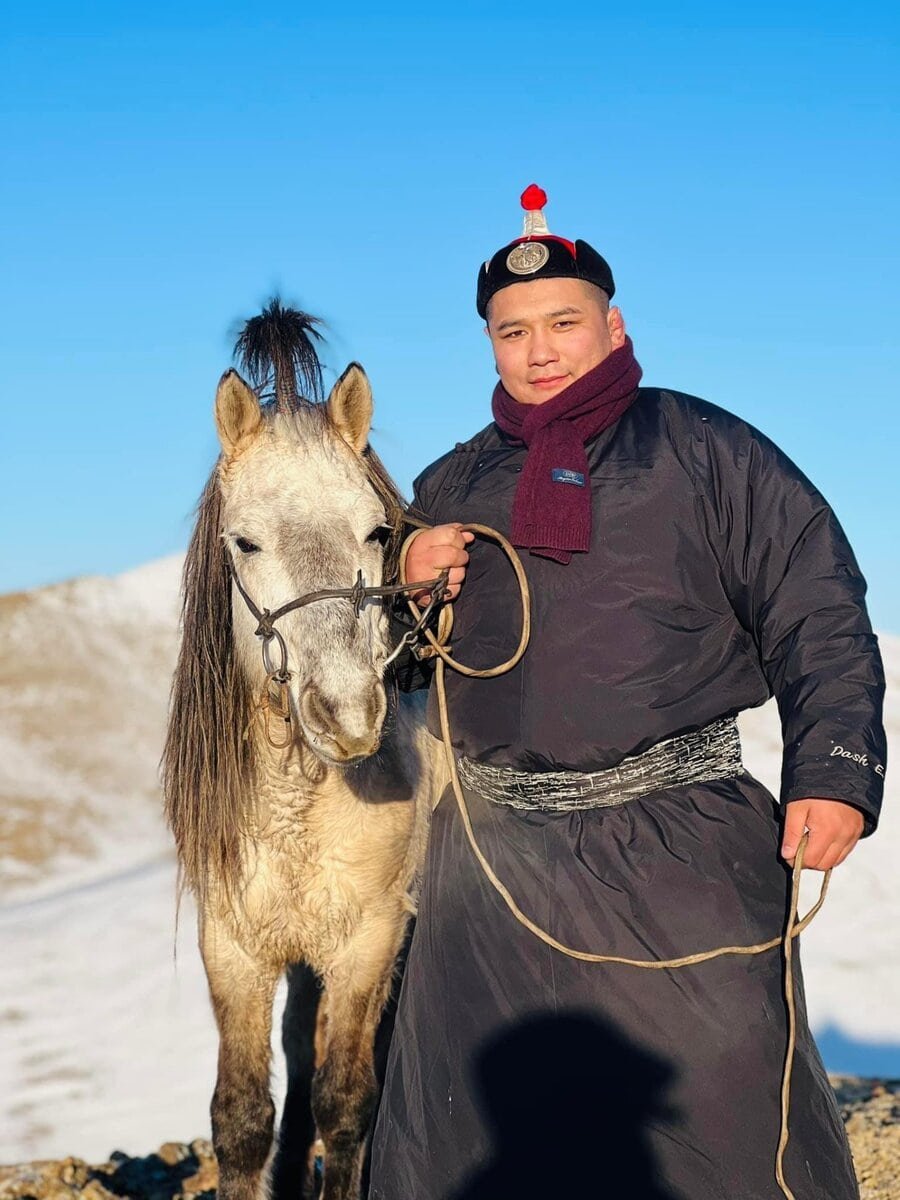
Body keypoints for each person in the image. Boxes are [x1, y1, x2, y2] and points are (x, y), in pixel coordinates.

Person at [369, 185, 886, 1200]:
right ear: (490, 346)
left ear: (614, 325)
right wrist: (403, 587)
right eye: (512, 331)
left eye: (563, 322)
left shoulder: (710, 452)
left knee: (724, 1124)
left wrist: (835, 773)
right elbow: (381, 683)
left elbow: (816, 609)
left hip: (681, 845)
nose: (539, 347)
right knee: (464, 1138)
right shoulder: (446, 487)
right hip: (492, 867)